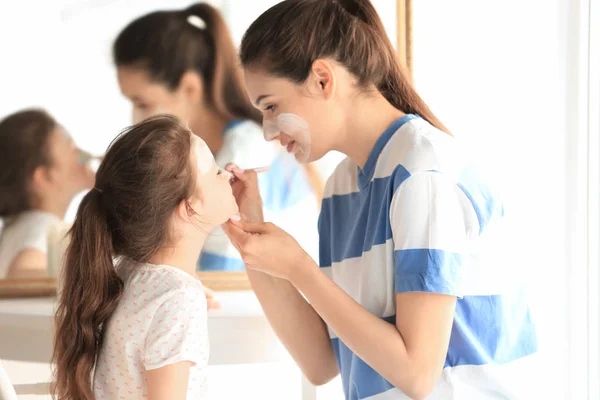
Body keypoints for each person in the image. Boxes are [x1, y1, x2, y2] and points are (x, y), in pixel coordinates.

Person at [222, 0, 538, 399]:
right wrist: (250, 229)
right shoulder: (341, 187)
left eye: (271, 106)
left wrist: (300, 268)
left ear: (322, 79)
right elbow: (321, 364)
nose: (268, 131)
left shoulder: (423, 173)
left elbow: (417, 374)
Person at [113, 2, 320, 273]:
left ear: (189, 88)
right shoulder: (213, 152)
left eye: (142, 103)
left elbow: (219, 272)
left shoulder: (244, 150)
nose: (135, 120)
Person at [53, 115, 239, 400]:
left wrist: (189, 292)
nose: (227, 174)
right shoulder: (178, 298)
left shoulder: (129, 273)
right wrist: (184, 297)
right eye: (215, 172)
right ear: (188, 208)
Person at [0, 109, 93, 279]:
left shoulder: (22, 225)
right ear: (44, 177)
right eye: (72, 150)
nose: (83, 155)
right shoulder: (41, 225)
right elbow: (21, 270)